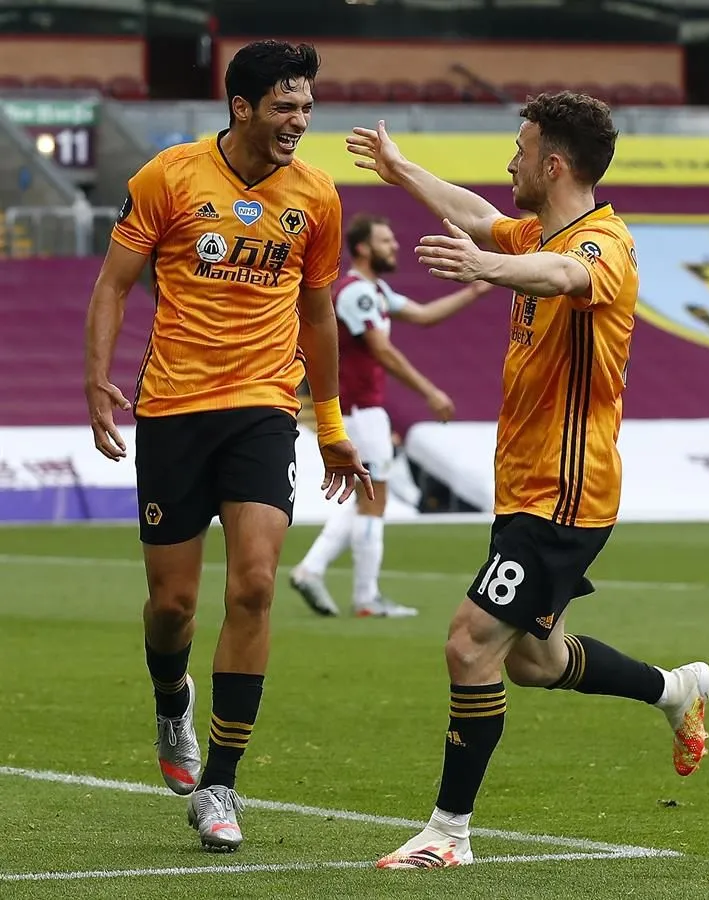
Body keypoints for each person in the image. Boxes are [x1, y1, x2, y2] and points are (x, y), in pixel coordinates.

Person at [346, 93, 709, 869]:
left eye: (518, 150)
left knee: (468, 644)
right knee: (531, 659)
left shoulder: (602, 245)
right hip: (525, 487)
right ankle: (672, 689)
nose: (508, 163)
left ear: (553, 164)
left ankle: (447, 835)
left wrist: (487, 267)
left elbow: (557, 275)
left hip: (564, 492)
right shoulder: (538, 230)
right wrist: (400, 169)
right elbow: (480, 218)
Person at [84, 40, 371, 853]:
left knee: (252, 584)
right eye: (285, 106)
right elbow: (112, 284)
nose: (299, 122)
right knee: (172, 605)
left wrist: (331, 427)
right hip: (172, 409)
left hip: (261, 409)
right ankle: (170, 698)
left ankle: (221, 784)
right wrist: (96, 379)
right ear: (241, 107)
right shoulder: (168, 176)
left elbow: (317, 316)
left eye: (307, 108)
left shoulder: (316, 196)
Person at [290, 214, 491, 618]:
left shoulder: (375, 291)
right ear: (363, 248)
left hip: (365, 412)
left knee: (368, 500)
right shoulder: (356, 294)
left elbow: (423, 315)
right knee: (373, 503)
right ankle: (366, 597)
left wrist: (474, 292)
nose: (394, 246)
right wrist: (429, 391)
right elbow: (381, 350)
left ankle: (311, 570)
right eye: (385, 240)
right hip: (359, 412)